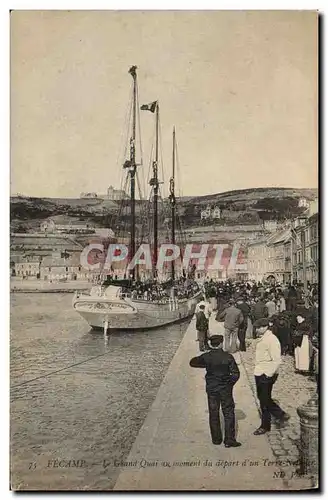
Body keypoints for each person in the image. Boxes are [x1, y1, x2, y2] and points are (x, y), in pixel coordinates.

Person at [189, 334, 241, 447]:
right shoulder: (228, 357)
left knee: (213, 413)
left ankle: (216, 439)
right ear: (221, 343)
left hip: (212, 389)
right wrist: (229, 384)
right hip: (225, 389)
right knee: (228, 412)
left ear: (211, 345)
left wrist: (205, 363)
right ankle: (229, 440)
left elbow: (192, 362)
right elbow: (236, 374)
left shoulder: (207, 356)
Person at [253, 318, 290, 435]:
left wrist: (268, 375)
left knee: (264, 401)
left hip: (266, 373)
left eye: (258, 328)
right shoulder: (264, 338)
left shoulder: (272, 340)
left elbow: (277, 360)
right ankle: (280, 414)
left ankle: (265, 425)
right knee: (263, 397)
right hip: (260, 372)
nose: (257, 330)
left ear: (265, 327)